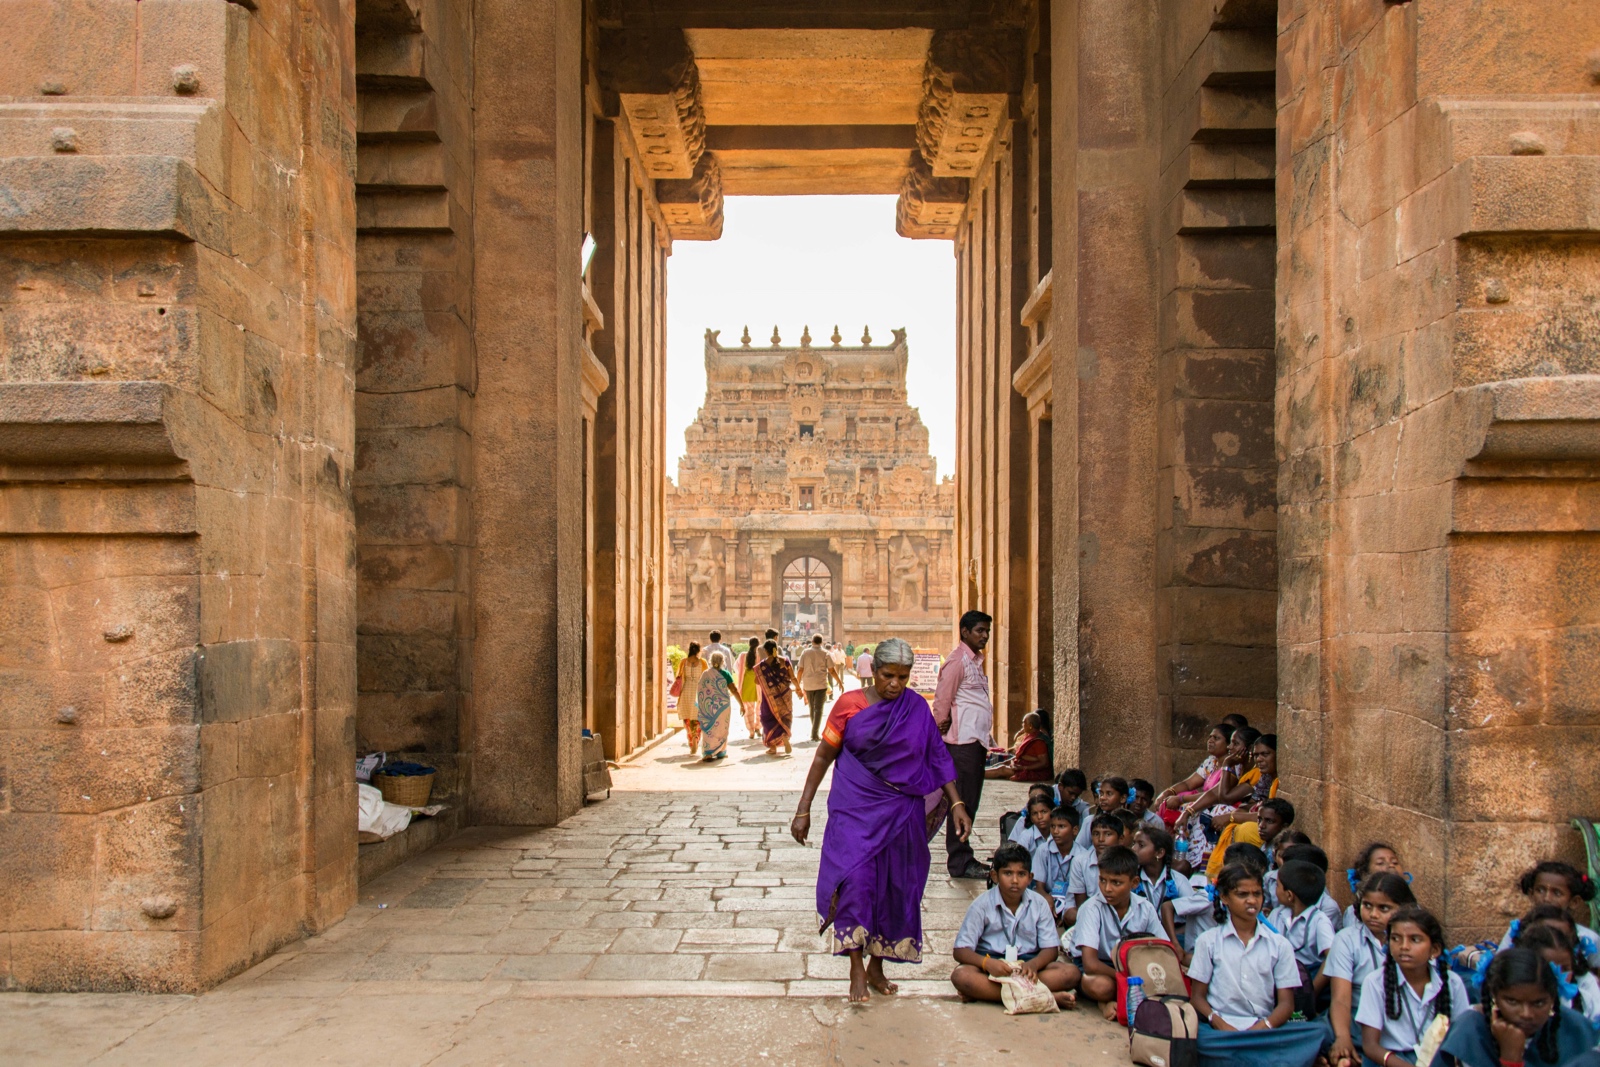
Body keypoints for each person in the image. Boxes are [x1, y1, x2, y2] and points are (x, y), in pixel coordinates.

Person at [790, 637, 971, 1004]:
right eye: (889, 675)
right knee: (856, 882)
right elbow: (824, 756)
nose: (895, 684)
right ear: (873, 671)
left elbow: (937, 757)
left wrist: (957, 804)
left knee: (894, 887)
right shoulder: (849, 706)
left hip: (901, 814)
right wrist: (803, 807)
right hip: (854, 810)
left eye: (903, 678)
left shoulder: (916, 709)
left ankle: (876, 964)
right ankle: (855, 967)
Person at [1188, 864, 1332, 1067]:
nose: (1252, 900)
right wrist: (1219, 1023)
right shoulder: (1208, 941)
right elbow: (1197, 998)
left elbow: (1286, 1004)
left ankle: (1244, 1056)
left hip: (1265, 1030)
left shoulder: (1279, 945)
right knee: (1198, 1039)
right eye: (1242, 894)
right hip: (1221, 1031)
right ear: (1225, 898)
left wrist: (1262, 1027)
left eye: (1257, 893)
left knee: (1318, 1031)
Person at [950, 842, 1081, 1009]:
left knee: (1071, 973)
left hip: (1028, 967)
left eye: (1021, 874)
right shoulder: (981, 905)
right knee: (961, 976)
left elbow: (1051, 950)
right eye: (1007, 873)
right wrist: (986, 964)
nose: (1014, 880)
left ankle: (999, 996)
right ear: (995, 876)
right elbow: (961, 951)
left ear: (1030, 878)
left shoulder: (1039, 904)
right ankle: (1042, 997)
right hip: (993, 967)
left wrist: (1034, 964)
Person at [1436, 947, 1599, 1067]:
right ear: (1494, 996)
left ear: (1552, 999)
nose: (1526, 1014)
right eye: (1512, 1002)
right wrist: (1511, 1058)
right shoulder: (1472, 1030)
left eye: (1539, 1003)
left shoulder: (1575, 1029)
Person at [1355, 904, 1470, 1067]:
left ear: (1435, 950)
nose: (1404, 946)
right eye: (1395, 938)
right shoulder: (1375, 982)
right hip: (1391, 1061)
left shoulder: (1452, 983)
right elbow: (1370, 1046)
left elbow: (1463, 1039)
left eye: (1415, 939)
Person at [1323, 872, 1417, 1067]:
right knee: (1316, 1032)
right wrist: (1342, 1037)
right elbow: (1340, 998)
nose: (1373, 914)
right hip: (1356, 1019)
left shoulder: (1413, 941)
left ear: (1405, 908)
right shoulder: (1346, 939)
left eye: (1384, 908)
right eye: (1367, 906)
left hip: (1401, 1018)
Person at [932, 609, 995, 879]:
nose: (985, 636)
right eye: (980, 631)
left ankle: (962, 856)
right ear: (965, 632)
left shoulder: (974, 662)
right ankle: (960, 861)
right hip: (961, 744)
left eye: (987, 631)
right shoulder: (957, 661)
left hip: (974, 742)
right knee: (963, 803)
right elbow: (942, 700)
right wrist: (938, 727)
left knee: (970, 801)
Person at [1075, 845, 1166, 1018]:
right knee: (1101, 987)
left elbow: (1163, 947)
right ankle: (1105, 1002)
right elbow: (1090, 964)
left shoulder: (1144, 908)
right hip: (1101, 968)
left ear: (1134, 883)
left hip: (1133, 968)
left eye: (1116, 883)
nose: (1107, 889)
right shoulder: (1091, 908)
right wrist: (1129, 979)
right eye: (1102, 880)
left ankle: (1121, 998)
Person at [1498, 862, 1600, 967]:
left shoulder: (1587, 939)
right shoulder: (1517, 930)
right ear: (1531, 894)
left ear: (1574, 902)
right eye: (1540, 890)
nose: (1546, 898)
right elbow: (1500, 967)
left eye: (1557, 893)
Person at [1155, 722, 1236, 827]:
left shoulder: (1234, 766)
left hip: (1216, 805)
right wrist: (1167, 792)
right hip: (1204, 802)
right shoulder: (1211, 762)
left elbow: (1215, 795)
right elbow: (1189, 784)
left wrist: (1181, 799)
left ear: (1229, 744)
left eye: (1216, 738)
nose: (1210, 741)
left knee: (1183, 807)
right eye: (1210, 737)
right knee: (1167, 802)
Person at [1032, 805, 1081, 924]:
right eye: (1052, 826)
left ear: (1075, 830)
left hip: (1071, 900)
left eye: (1061, 826)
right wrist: (1047, 898)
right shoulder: (1043, 850)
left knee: (1073, 915)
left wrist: (1063, 908)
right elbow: (1039, 887)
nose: (1055, 831)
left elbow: (1078, 896)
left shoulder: (1081, 855)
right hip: (1047, 896)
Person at [1341, 842, 1405, 930]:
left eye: (1395, 862)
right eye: (1380, 863)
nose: (1391, 865)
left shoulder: (1413, 909)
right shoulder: (1353, 913)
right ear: (1365, 874)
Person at [754, 639, 796, 756]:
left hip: (769, 698)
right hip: (785, 695)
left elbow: (757, 681)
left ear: (766, 651)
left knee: (768, 719)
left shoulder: (761, 666)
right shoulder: (785, 661)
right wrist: (798, 689)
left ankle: (772, 747)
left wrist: (767, 681)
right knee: (785, 716)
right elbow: (792, 677)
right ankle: (784, 735)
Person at [986, 711, 1052, 782]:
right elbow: (1021, 755)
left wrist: (1024, 767)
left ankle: (977, 774)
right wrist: (1009, 762)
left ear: (1030, 726)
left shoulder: (1039, 741)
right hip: (1021, 765)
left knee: (1002, 770)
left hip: (1034, 771)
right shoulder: (1029, 736)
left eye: (1024, 722)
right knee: (1000, 764)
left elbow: (1044, 763)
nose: (1022, 725)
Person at [694, 651, 736, 761]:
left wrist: (701, 705)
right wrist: (741, 704)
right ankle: (721, 751)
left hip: (708, 709)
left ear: (711, 661)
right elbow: (733, 689)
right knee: (722, 728)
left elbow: (700, 690)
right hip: (723, 708)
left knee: (709, 729)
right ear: (723, 661)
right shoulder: (726, 674)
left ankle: (708, 752)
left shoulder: (705, 674)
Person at [798, 635, 837, 742]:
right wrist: (839, 682)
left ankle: (814, 730)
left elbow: (800, 669)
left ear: (812, 641)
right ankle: (814, 733)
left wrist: (797, 684)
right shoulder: (825, 653)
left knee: (811, 707)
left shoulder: (805, 652)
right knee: (818, 709)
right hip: (821, 684)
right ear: (821, 642)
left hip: (808, 684)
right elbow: (832, 670)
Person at [673, 643, 707, 752]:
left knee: (687, 718)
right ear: (698, 650)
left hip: (686, 691)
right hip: (698, 692)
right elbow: (707, 677)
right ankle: (696, 739)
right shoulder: (702, 662)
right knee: (697, 718)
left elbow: (678, 675)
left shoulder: (684, 662)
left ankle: (691, 740)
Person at [737, 636, 762, 738]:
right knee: (759, 708)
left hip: (746, 684)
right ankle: (758, 728)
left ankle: (751, 731)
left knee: (748, 709)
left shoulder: (743, 656)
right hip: (758, 684)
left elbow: (737, 668)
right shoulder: (760, 655)